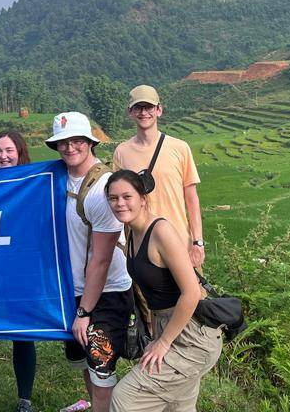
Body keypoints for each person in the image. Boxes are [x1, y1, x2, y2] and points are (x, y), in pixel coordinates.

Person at [105, 170, 223, 412]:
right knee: (178, 408)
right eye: (113, 198)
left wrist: (163, 342)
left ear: (143, 199)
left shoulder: (160, 231)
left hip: (191, 334)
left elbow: (191, 292)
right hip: (167, 326)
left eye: (127, 196)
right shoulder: (131, 231)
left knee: (125, 400)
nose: (119, 203)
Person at [47, 112, 132, 412]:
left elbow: (102, 258)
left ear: (90, 142)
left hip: (105, 292)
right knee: (85, 360)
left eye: (77, 141)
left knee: (102, 367)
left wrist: (84, 311)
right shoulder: (58, 177)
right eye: (63, 143)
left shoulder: (103, 188)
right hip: (74, 287)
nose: (70, 148)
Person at [112, 85, 205, 268]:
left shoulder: (179, 148)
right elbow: (119, 200)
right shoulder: (122, 152)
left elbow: (192, 198)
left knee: (193, 295)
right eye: (138, 107)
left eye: (149, 107)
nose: (144, 112)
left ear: (159, 110)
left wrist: (198, 242)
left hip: (180, 242)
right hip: (142, 245)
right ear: (130, 112)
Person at [0, 131, 37, 412]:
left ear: (20, 152)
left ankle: (25, 397)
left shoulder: (34, 183)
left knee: (23, 333)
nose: (3, 156)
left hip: (22, 270)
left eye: (9, 150)